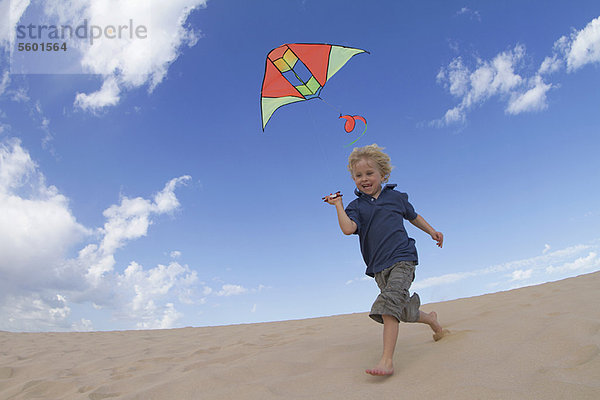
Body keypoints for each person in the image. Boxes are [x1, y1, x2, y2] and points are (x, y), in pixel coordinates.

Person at [325, 143, 449, 376]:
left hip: (403, 258)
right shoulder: (356, 207)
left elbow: (413, 217)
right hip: (379, 267)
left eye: (369, 173)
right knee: (400, 310)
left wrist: (432, 231)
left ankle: (386, 361)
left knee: (388, 305)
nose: (364, 178)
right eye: (358, 175)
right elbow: (348, 229)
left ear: (383, 174)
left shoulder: (396, 197)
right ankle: (431, 319)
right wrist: (338, 206)